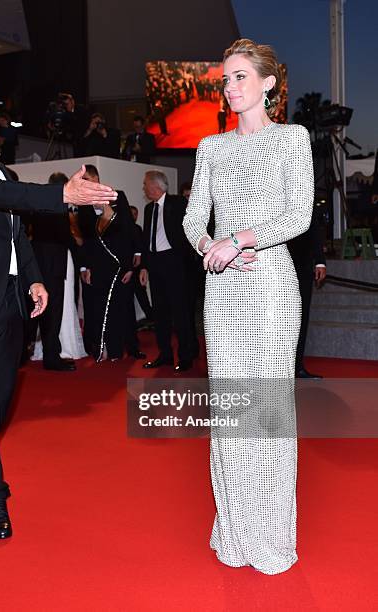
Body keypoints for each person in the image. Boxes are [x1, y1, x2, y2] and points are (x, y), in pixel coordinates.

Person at [0, 72, 117, 540]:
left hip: (9, 301)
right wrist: (62, 195)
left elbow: (16, 233)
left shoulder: (4, 170)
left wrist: (33, 279)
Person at [183, 38, 314, 575]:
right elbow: (192, 219)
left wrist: (239, 239)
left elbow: (299, 214)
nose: (231, 87)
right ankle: (234, 530)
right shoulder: (210, 149)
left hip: (271, 286)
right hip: (225, 289)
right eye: (226, 79)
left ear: (267, 84)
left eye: (240, 77)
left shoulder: (292, 139)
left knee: (268, 410)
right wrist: (209, 248)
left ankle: (271, 531)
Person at [80, 166, 142, 361]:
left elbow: (128, 231)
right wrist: (84, 266)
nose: (85, 182)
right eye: (83, 180)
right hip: (97, 266)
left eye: (88, 178)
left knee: (118, 308)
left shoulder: (116, 196)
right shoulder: (83, 205)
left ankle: (118, 349)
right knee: (98, 308)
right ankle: (101, 347)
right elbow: (86, 239)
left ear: (97, 177)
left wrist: (129, 266)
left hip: (118, 264)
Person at [139, 171, 195, 372]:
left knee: (180, 313)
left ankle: (186, 356)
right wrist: (145, 265)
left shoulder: (178, 203)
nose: (143, 188)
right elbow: (147, 240)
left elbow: (189, 230)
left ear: (155, 186)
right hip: (155, 264)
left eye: (145, 184)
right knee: (160, 313)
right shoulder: (147, 209)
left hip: (175, 263)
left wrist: (183, 258)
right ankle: (164, 354)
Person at [26, 172, 76, 371]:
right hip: (54, 266)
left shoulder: (38, 206)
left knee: (38, 311)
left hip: (38, 264)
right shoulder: (59, 207)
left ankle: (33, 351)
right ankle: (52, 357)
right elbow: (65, 236)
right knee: (53, 313)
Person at [288, 213, 326, 378]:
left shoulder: (303, 190)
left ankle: (297, 366)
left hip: (302, 263)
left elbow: (313, 226)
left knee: (301, 316)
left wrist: (320, 260)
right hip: (272, 263)